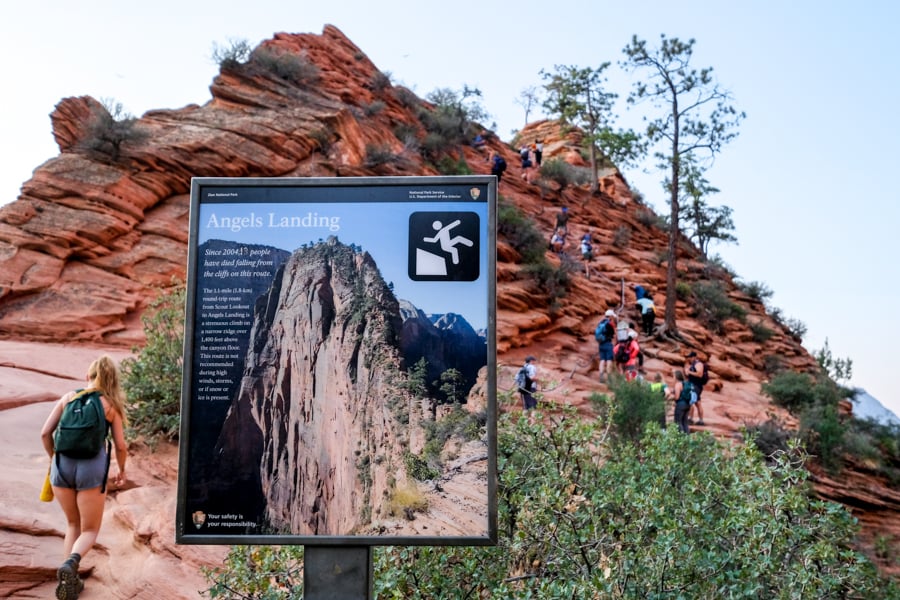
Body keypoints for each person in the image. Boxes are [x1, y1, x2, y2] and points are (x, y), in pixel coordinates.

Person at [41, 355, 128, 600]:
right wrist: (121, 469)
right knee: (89, 530)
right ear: (112, 380)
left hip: (61, 466)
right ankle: (71, 564)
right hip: (91, 469)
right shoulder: (110, 406)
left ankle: (71, 578)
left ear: (88, 376)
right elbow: (120, 446)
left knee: (72, 524)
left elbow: (45, 432)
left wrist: (53, 459)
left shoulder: (69, 397)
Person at [685, 351, 707, 425]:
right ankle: (701, 420)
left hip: (696, 386)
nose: (689, 359)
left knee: (691, 401)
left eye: (690, 357)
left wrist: (689, 372)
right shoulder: (693, 364)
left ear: (694, 357)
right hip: (694, 385)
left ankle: (690, 419)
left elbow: (699, 374)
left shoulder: (698, 364)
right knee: (697, 403)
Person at [595, 309, 617, 382]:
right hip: (608, 343)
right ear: (610, 316)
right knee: (609, 360)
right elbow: (614, 333)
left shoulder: (601, 322)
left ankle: (601, 376)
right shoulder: (609, 323)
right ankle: (609, 377)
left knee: (602, 360)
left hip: (601, 344)